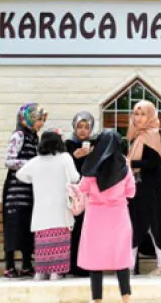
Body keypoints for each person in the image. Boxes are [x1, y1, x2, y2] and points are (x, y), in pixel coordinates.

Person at [79, 130, 137, 303]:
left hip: (95, 218)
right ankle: (126, 298)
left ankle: (97, 300)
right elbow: (131, 192)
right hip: (119, 217)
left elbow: (82, 189)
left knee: (95, 261)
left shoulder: (91, 166)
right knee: (121, 259)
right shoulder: (124, 167)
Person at [16, 130, 80, 280]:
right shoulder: (65, 158)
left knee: (43, 242)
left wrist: (33, 179)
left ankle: (41, 271)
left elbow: (20, 174)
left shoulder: (36, 161)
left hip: (41, 211)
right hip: (60, 209)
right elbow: (75, 177)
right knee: (59, 241)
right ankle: (56, 272)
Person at [127, 100, 161, 277]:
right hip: (138, 189)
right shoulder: (137, 136)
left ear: (151, 116)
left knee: (154, 227)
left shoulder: (152, 135)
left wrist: (130, 163)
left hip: (151, 191)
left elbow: (153, 163)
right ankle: (129, 266)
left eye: (143, 114)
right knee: (134, 226)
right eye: (136, 114)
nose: (138, 118)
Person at [2, 103, 46, 278]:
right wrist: (31, 164)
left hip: (29, 190)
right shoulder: (18, 135)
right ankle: (9, 266)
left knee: (28, 227)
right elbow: (9, 160)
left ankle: (27, 265)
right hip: (15, 191)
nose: (41, 124)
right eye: (39, 120)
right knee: (13, 227)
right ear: (28, 118)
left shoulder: (34, 138)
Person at [65, 111, 97, 277]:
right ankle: (72, 265)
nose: (83, 130)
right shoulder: (69, 144)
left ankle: (86, 265)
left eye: (86, 127)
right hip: (73, 194)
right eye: (79, 126)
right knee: (74, 229)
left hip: (89, 194)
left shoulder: (94, 144)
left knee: (87, 229)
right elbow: (71, 159)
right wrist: (79, 154)